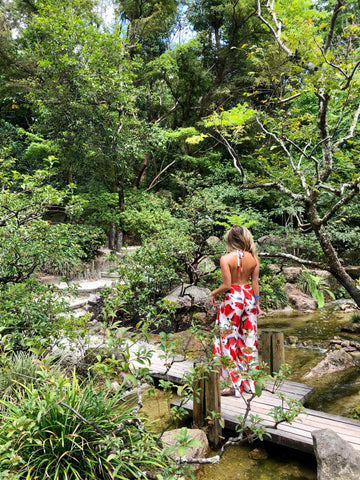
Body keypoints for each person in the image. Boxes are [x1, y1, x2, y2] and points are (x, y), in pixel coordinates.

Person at [211, 225, 261, 396]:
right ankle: (249, 383)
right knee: (248, 340)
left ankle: (232, 383)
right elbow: (255, 284)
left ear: (230, 240)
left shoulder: (226, 259)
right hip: (248, 297)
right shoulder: (254, 258)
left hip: (233, 299)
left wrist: (213, 293)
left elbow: (226, 285)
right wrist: (258, 303)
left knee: (227, 339)